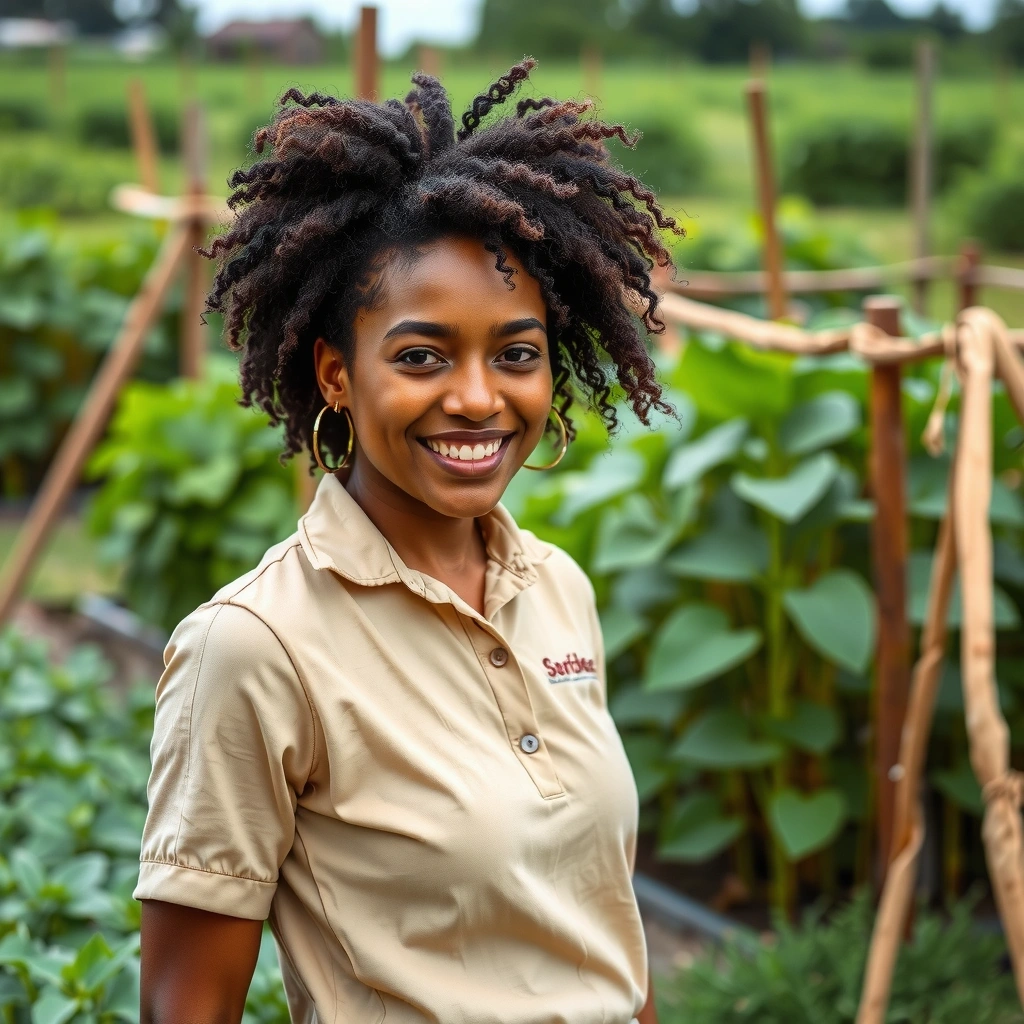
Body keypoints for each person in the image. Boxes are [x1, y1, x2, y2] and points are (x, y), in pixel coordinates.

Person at [135, 58, 680, 1024]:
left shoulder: (556, 588)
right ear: (338, 375)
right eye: (422, 356)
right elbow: (188, 1004)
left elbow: (600, 932)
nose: (477, 398)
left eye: (516, 353)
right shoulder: (256, 648)